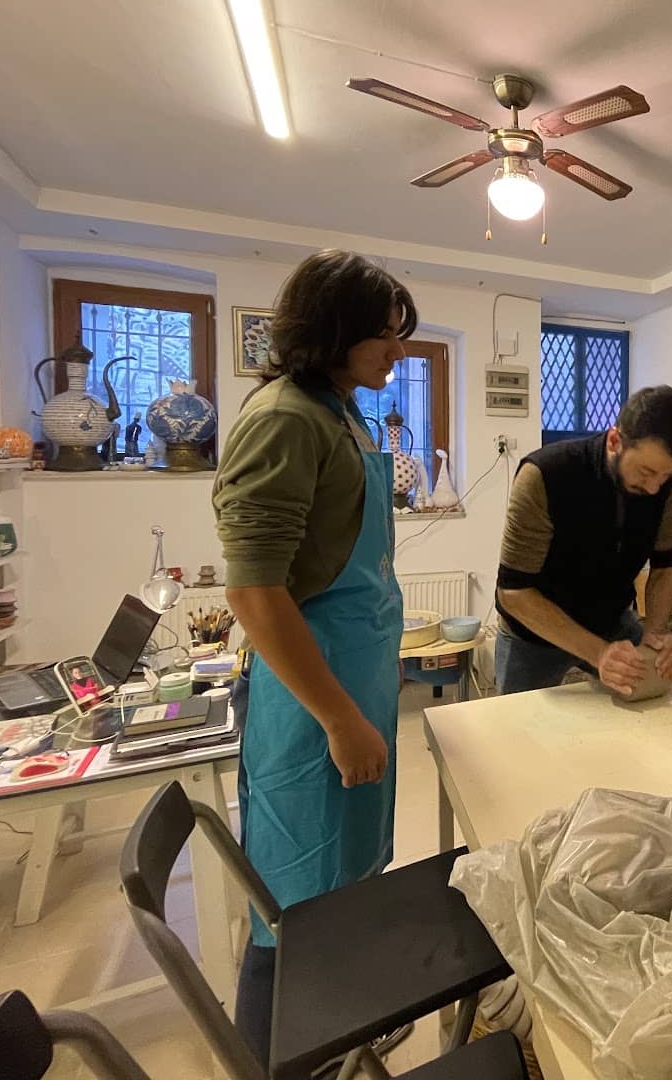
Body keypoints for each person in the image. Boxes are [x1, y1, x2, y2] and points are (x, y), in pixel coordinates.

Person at [212, 249, 416, 1064]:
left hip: (353, 675)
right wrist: (338, 717)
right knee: (294, 896)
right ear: (332, 331)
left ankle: (338, 1027)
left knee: (346, 880)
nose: (396, 354)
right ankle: (275, 1058)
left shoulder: (340, 407)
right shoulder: (285, 418)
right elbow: (255, 593)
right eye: (384, 338)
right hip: (313, 700)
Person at [495, 386, 672, 695]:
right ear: (615, 441)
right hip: (535, 630)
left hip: (610, 620)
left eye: (666, 475)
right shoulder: (544, 475)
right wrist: (600, 653)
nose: (655, 488)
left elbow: (666, 564)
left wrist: (655, 632)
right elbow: (514, 592)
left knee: (649, 709)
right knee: (517, 733)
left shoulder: (663, 486)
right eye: (646, 472)